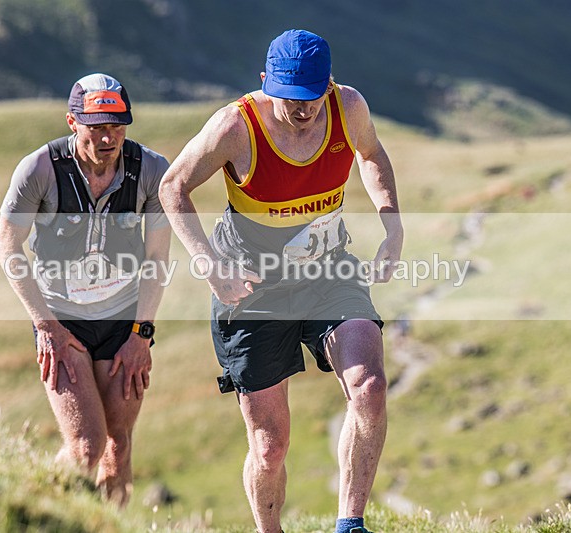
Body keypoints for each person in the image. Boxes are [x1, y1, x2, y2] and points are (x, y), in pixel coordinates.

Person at [159, 30, 402, 533]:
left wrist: (392, 226)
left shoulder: (347, 107)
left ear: (328, 84)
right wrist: (208, 262)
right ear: (266, 82)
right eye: (291, 97)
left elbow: (372, 154)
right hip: (251, 291)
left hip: (328, 271)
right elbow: (173, 186)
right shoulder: (236, 126)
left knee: (371, 388)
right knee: (270, 448)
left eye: (313, 97)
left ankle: (349, 524)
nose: (304, 110)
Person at [0, 73, 171, 506]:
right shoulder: (39, 169)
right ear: (72, 122)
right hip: (62, 318)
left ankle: (111, 522)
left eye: (117, 125)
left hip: (123, 320)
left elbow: (157, 260)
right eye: (97, 127)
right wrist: (46, 325)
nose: (108, 137)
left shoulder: (152, 170)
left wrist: (140, 334)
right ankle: (36, 510)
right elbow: (8, 247)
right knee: (86, 446)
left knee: (120, 444)